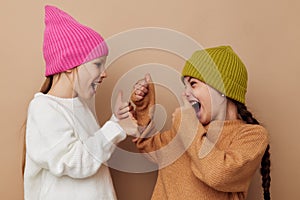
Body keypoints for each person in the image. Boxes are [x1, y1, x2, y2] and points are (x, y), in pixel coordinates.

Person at [22, 5, 134, 200]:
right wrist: (114, 128)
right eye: (97, 64)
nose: (104, 73)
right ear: (68, 66)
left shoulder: (79, 106)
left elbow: (93, 157)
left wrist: (118, 120)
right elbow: (78, 162)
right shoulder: (44, 109)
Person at [131, 46, 271, 200]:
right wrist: (143, 108)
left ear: (222, 87)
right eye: (185, 86)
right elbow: (149, 147)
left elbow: (217, 174)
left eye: (193, 84)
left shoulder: (252, 136)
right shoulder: (187, 129)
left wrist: (186, 124)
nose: (185, 93)